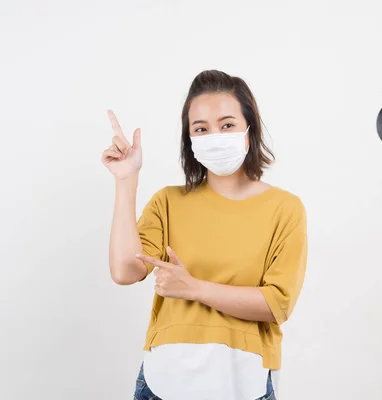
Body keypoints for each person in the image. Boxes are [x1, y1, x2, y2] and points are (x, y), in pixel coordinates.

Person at [101, 70, 308, 400]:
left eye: (227, 124)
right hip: (162, 382)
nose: (215, 135)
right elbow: (125, 271)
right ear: (190, 139)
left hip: (244, 381)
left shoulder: (284, 208)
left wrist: (194, 288)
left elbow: (276, 303)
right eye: (201, 128)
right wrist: (126, 180)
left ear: (249, 129)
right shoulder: (168, 202)